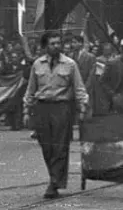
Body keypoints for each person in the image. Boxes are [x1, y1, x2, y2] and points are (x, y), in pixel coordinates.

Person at [23, 31, 89, 200]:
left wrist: (83, 107)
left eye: (58, 43)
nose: (56, 46)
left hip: (62, 108)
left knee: (60, 146)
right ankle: (55, 177)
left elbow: (79, 87)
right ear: (45, 46)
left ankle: (54, 182)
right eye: (52, 43)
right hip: (42, 108)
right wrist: (26, 110)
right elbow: (31, 90)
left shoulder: (70, 64)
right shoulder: (37, 65)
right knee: (46, 147)